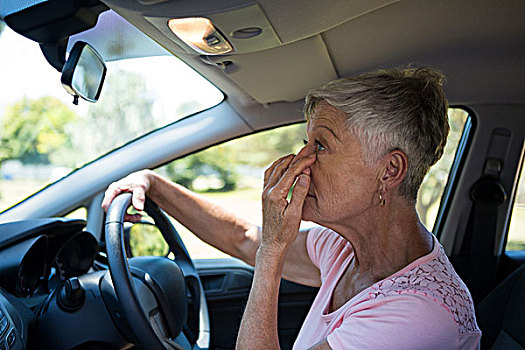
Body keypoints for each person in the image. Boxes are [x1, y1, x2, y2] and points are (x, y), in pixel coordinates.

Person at [102, 67, 481, 350]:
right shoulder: (345, 249)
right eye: (307, 142)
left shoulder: (416, 314)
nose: (301, 160)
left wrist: (273, 253)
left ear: (390, 170)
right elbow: (244, 238)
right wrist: (154, 185)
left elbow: (261, 247)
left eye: (321, 146)